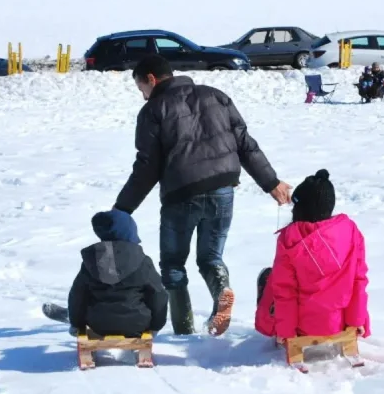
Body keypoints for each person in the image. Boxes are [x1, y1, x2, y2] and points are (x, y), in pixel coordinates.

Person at [114, 54, 291, 336]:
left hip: (181, 194)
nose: (143, 97)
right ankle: (222, 291)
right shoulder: (216, 96)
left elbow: (147, 167)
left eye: (141, 89)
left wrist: (122, 210)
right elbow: (245, 144)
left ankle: (184, 329)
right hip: (223, 189)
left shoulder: (153, 110)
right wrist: (271, 182)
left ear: (151, 79)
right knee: (210, 258)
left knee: (173, 264)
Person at [254, 169, 371, 344]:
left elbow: (285, 291)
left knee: (271, 280)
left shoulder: (290, 239)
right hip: (340, 326)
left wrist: (286, 332)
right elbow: (358, 280)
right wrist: (357, 321)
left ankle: (274, 326)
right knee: (346, 281)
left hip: (303, 330)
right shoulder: (349, 231)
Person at [42, 210, 169, 338]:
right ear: (131, 232)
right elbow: (158, 294)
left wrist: (77, 324)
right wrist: (155, 326)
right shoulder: (142, 261)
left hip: (97, 325)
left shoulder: (93, 260)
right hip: (137, 325)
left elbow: (78, 295)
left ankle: (69, 315)